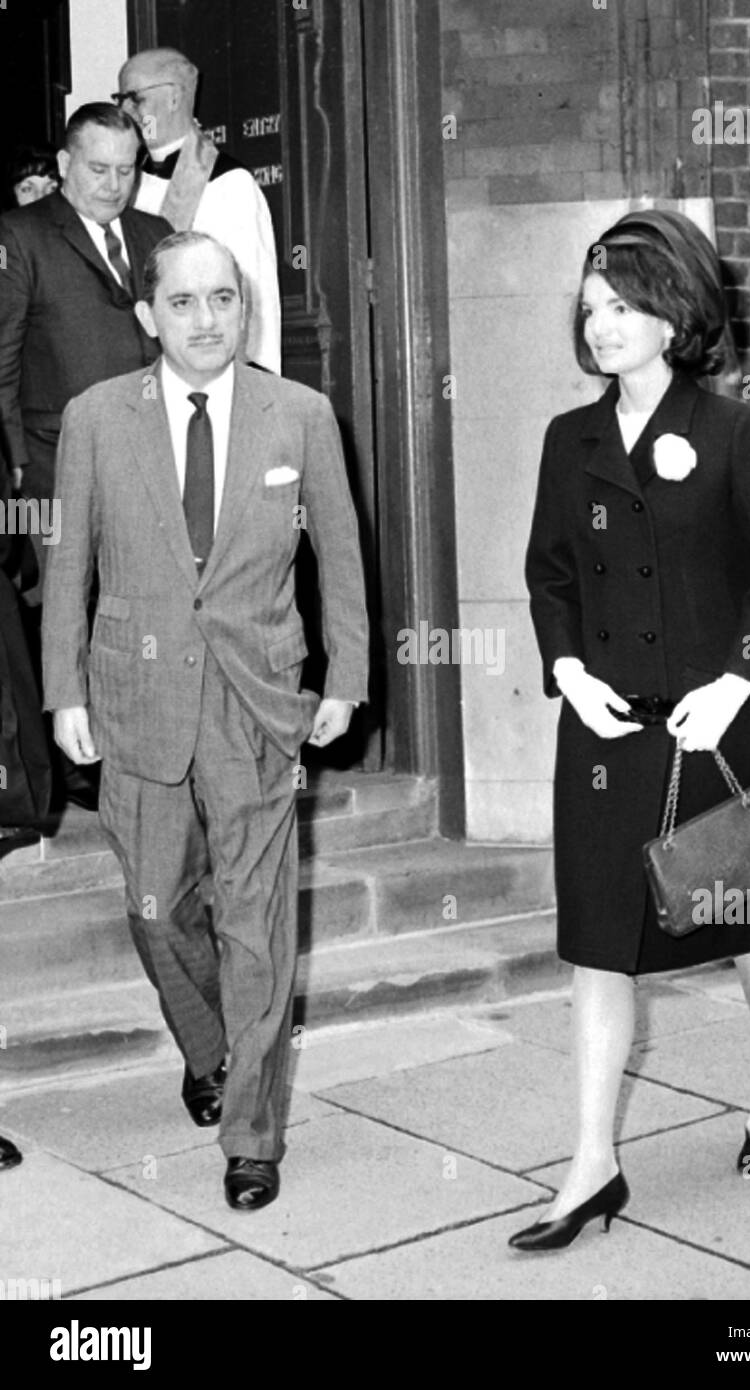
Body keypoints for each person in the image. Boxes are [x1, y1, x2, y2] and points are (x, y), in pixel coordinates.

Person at [515, 209, 750, 1252]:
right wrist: (566, 667)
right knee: (598, 947)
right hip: (610, 733)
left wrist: (739, 682)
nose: (601, 325)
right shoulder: (567, 442)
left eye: (622, 306)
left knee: (748, 926)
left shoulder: (734, 433)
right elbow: (553, 575)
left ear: (675, 313)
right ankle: (590, 1162)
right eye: (590, 307)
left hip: (717, 729)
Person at [42, 231, 368, 1211]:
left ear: (246, 307)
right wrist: (65, 692)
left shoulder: (299, 414)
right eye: (182, 302)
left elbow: (341, 560)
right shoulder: (95, 419)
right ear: (148, 315)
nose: (206, 319)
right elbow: (70, 566)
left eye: (222, 299)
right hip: (135, 696)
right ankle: (212, 1045)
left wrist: (345, 677)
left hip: (255, 700)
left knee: (256, 921)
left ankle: (252, 1133)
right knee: (153, 906)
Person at [0, 103, 171, 811]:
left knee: (136, 602)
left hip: (145, 455)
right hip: (48, 458)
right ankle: (75, 764)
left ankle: (136, 750)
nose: (112, 184)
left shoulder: (155, 234)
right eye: (97, 168)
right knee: (64, 602)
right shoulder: (21, 234)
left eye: (126, 170)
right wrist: (10, 467)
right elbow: (1, 360)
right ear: (66, 165)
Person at [115, 47, 281, 374]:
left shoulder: (228, 185)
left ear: (175, 98)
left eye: (134, 98)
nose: (124, 110)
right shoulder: (124, 183)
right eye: (118, 98)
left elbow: (254, 295)